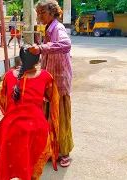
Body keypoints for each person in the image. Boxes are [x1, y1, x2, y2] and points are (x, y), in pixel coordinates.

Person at [0, 45, 60, 180]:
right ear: (38, 60)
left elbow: (1, 100)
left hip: (9, 128)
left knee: (15, 162)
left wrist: (13, 115)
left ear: (20, 59)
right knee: (32, 164)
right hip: (36, 128)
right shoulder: (45, 76)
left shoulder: (8, 76)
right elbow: (53, 100)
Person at [30, 0, 73, 167]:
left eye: (43, 12)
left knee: (60, 117)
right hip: (48, 80)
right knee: (47, 117)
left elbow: (65, 44)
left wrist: (41, 48)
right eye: (38, 13)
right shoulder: (48, 28)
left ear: (52, 12)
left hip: (59, 81)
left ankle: (64, 153)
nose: (40, 16)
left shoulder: (58, 28)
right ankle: (50, 150)